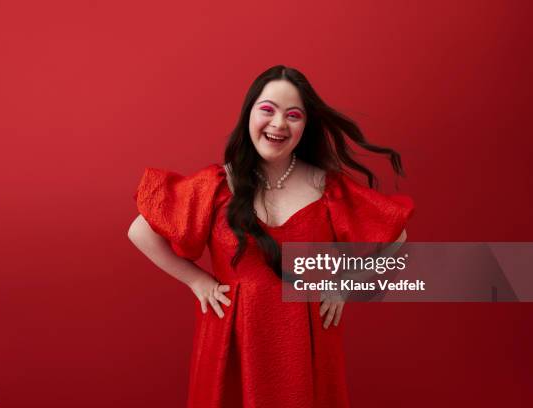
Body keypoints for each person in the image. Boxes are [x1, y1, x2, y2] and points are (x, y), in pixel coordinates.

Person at [127, 65, 414, 408]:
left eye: (293, 115)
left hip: (305, 345)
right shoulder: (217, 185)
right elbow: (139, 230)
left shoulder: (328, 188)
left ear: (304, 126)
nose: (279, 124)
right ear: (249, 113)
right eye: (267, 109)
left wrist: (345, 286)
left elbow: (396, 237)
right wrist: (196, 281)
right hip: (232, 341)